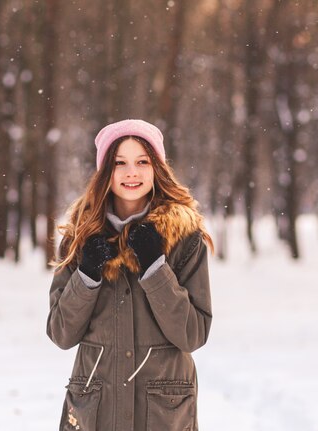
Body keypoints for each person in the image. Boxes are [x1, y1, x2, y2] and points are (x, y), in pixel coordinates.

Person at [46, 119, 214, 431]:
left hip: (162, 411)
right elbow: (61, 333)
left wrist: (155, 269)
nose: (131, 172)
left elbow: (192, 334)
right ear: (105, 171)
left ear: (157, 168)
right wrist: (86, 276)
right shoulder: (80, 237)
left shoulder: (185, 239)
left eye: (142, 162)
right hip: (97, 411)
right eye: (119, 162)